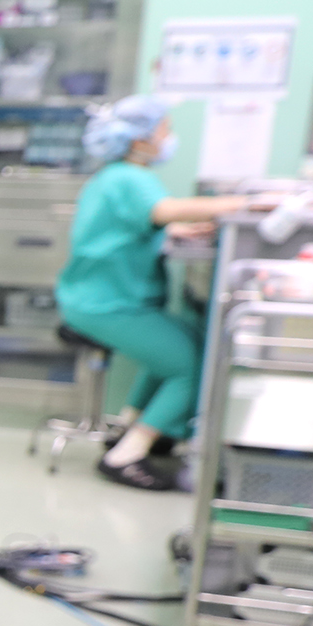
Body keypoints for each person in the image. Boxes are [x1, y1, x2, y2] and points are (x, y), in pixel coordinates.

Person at [56, 95, 258, 491]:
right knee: (191, 364)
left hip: (101, 298)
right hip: (107, 304)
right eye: (164, 131)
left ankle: (132, 426)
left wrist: (172, 232)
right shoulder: (131, 178)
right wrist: (249, 203)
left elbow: (127, 226)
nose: (168, 139)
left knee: (182, 345)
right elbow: (164, 210)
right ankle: (125, 455)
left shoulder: (114, 176)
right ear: (139, 140)